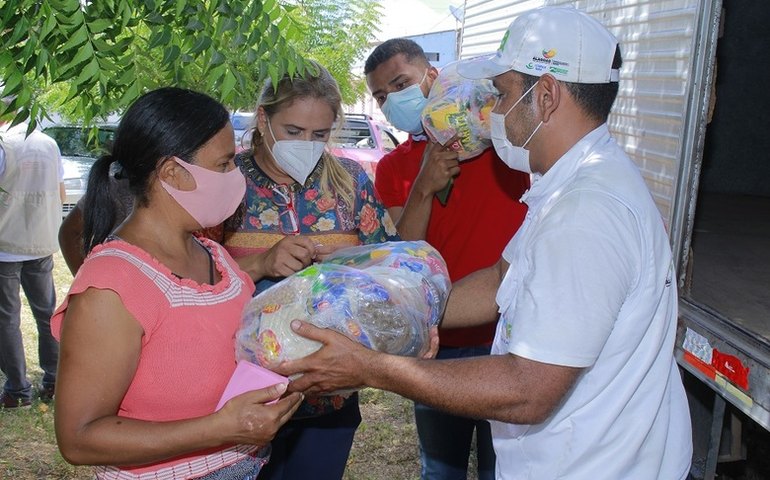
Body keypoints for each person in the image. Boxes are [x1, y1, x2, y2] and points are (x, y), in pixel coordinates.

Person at [276, 6, 694, 479]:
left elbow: (527, 390)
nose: (492, 111)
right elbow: (501, 279)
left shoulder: (585, 213)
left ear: (546, 96)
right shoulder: (566, 186)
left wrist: (372, 367)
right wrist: (390, 312)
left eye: (503, 94)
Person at [50, 87, 303, 479]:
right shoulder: (111, 286)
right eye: (224, 164)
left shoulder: (213, 256)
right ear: (172, 172)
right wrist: (219, 428)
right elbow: (79, 438)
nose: (236, 177)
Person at [214, 63, 398, 480]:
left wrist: (349, 266)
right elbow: (188, 282)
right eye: (294, 131)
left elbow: (389, 268)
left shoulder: (350, 182)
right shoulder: (226, 180)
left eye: (319, 135)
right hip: (240, 394)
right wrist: (260, 263)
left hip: (329, 393)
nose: (306, 144)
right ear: (263, 119)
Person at [365, 38, 530, 479]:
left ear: (432, 77)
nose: (391, 100)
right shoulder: (394, 167)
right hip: (440, 340)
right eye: (381, 97)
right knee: (441, 467)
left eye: (400, 84)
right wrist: (423, 185)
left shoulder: (496, 141)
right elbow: (402, 254)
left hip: (508, 336)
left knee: (505, 467)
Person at [0, 96, 64, 408]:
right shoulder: (49, 144)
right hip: (41, 239)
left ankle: (17, 389)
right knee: (46, 313)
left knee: (7, 319)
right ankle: (53, 380)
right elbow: (60, 190)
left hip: (6, 243)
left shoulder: (4, 144)